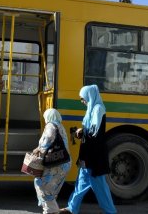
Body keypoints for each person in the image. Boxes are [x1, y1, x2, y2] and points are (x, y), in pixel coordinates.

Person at [60, 85, 117, 214]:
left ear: (89, 95)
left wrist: (82, 131)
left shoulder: (98, 109)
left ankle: (110, 211)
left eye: (83, 98)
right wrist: (80, 133)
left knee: (100, 185)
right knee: (81, 182)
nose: (82, 101)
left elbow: (94, 133)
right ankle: (72, 208)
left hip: (95, 155)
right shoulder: (91, 110)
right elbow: (89, 132)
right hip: (87, 153)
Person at [33, 108, 72, 214]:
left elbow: (47, 141)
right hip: (63, 162)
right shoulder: (60, 126)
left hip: (55, 163)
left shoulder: (50, 126)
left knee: (42, 185)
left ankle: (50, 211)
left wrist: (39, 150)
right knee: (49, 188)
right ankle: (51, 210)